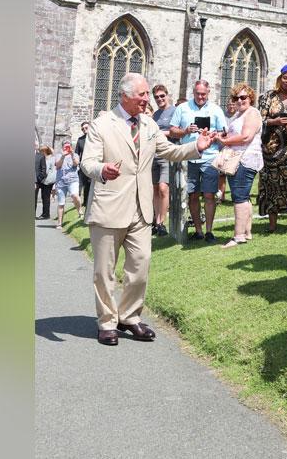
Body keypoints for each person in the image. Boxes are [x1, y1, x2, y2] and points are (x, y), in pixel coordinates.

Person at [81, 72, 212, 345]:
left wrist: (195, 147)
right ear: (126, 95)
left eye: (147, 94)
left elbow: (169, 152)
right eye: (141, 94)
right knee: (104, 271)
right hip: (109, 207)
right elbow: (87, 163)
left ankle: (129, 317)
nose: (146, 99)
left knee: (141, 265)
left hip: (141, 209)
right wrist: (102, 170)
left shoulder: (149, 125)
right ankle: (106, 322)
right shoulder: (102, 124)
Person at [168, 79, 228, 243]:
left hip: (210, 157)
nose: (200, 97)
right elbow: (173, 131)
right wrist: (185, 130)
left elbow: (224, 134)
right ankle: (199, 231)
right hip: (189, 158)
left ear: (208, 93)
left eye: (203, 94)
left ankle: (209, 231)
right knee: (193, 195)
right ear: (193, 92)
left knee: (209, 195)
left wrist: (214, 135)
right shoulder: (183, 108)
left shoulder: (216, 110)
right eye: (197, 93)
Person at [255, 66, 287, 233]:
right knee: (271, 184)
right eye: (285, 77)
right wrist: (273, 122)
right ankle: (272, 224)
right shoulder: (268, 96)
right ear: (280, 77)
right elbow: (258, 119)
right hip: (270, 149)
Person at [214, 84, 264, 247]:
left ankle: (238, 236)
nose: (240, 100)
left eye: (243, 97)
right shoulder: (238, 114)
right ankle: (247, 233)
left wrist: (225, 141)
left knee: (239, 197)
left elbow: (245, 137)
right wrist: (220, 135)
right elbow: (235, 134)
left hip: (245, 159)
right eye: (236, 98)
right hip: (237, 158)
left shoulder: (252, 113)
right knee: (243, 196)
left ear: (251, 98)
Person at [149, 84, 179, 236]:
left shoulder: (174, 111)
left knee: (163, 188)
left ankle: (162, 223)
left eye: (162, 96)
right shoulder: (155, 115)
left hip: (167, 154)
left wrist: (160, 133)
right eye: (156, 97)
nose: (160, 99)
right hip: (154, 155)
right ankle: (156, 221)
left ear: (167, 95)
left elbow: (176, 132)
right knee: (154, 189)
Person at [54, 140, 83, 228]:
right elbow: (58, 166)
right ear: (62, 147)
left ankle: (80, 211)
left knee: (74, 195)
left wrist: (72, 154)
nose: (67, 148)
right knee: (61, 203)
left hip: (73, 180)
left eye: (68, 146)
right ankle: (59, 223)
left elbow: (76, 163)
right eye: (65, 146)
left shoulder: (75, 155)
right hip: (61, 182)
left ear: (71, 147)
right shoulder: (58, 155)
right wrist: (63, 156)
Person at [76, 122, 92, 208]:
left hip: (92, 165)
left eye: (86, 128)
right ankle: (77, 203)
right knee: (79, 184)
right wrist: (77, 164)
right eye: (82, 129)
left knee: (88, 186)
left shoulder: (95, 138)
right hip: (82, 166)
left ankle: (86, 203)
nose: (84, 130)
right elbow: (77, 154)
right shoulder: (80, 140)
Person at [35, 146, 51, 220]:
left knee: (37, 198)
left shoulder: (40, 156)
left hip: (38, 181)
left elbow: (43, 170)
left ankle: (44, 214)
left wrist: (38, 180)